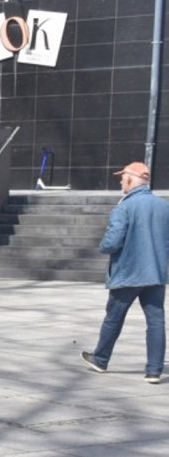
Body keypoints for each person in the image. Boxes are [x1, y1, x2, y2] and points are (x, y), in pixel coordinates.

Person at [81, 161, 169, 383]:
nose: (121, 181)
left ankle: (100, 359)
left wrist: (102, 246)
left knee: (114, 317)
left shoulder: (125, 206)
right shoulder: (164, 206)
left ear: (131, 179)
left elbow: (112, 242)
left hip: (129, 272)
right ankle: (154, 371)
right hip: (156, 272)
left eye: (123, 177)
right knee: (156, 321)